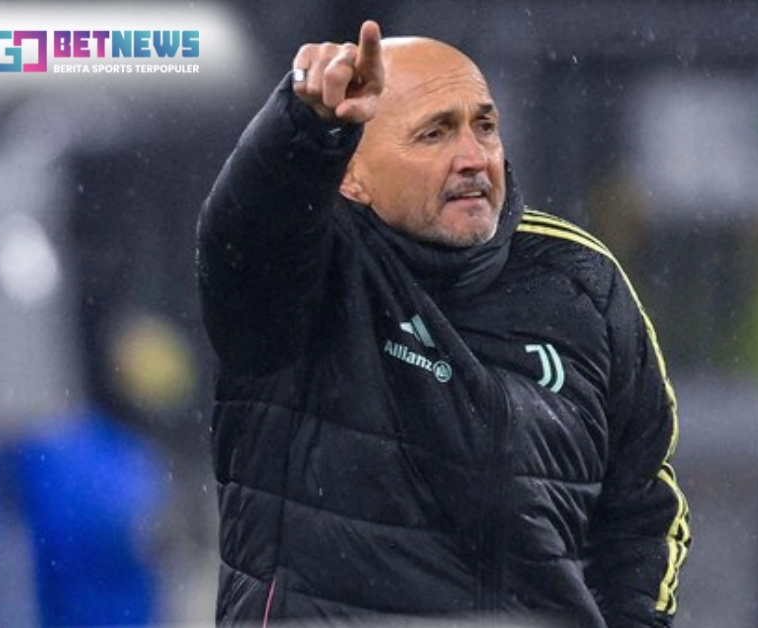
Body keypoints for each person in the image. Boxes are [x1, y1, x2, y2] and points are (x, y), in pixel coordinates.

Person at [196, 20, 690, 627]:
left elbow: (640, 512)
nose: (474, 158)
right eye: (434, 134)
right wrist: (303, 127)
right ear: (351, 174)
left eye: (484, 126)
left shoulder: (582, 281)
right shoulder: (309, 264)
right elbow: (245, 234)